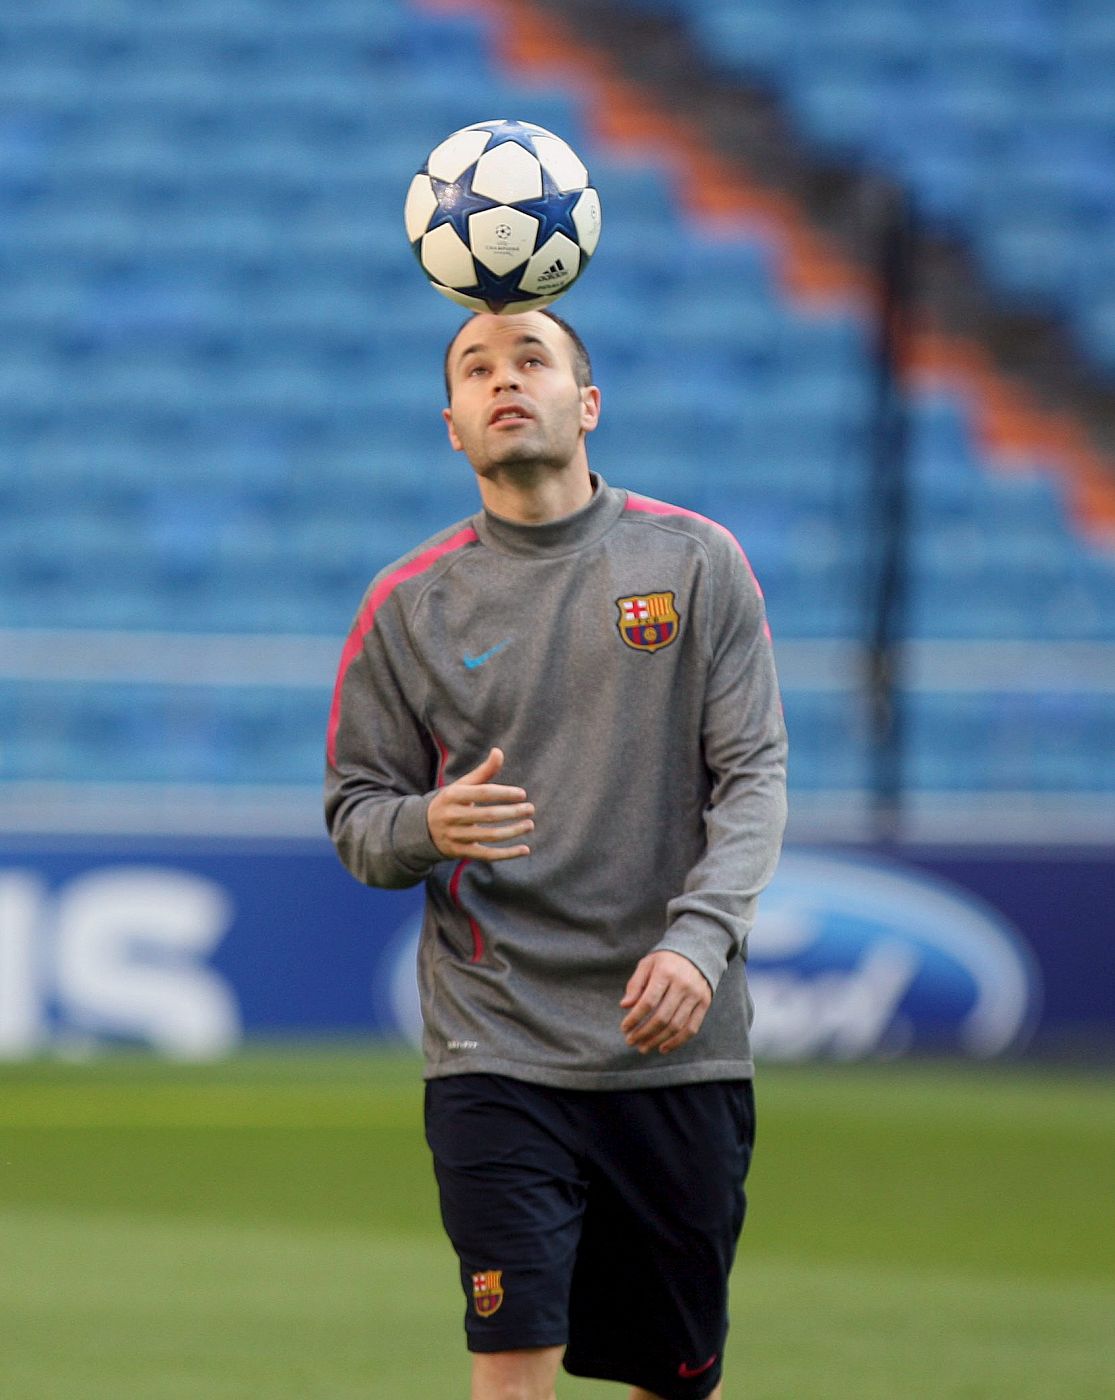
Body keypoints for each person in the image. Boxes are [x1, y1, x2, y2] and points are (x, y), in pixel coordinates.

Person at [325, 308, 788, 1400]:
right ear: (451, 426)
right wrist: (424, 826)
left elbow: (755, 777)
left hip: (675, 1041)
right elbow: (356, 813)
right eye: (475, 367)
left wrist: (699, 938)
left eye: (531, 358)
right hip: (497, 1042)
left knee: (673, 1375)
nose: (503, 379)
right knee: (510, 1363)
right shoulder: (406, 605)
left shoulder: (694, 560)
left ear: (586, 404)